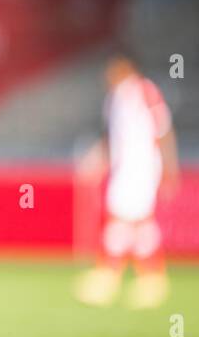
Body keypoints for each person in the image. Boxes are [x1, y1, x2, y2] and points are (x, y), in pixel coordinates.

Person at [75, 51, 179, 309]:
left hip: (142, 165)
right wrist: (100, 159)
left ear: (126, 67)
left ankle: (112, 275)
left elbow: (164, 131)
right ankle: (148, 278)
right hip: (123, 168)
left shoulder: (145, 91)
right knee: (133, 222)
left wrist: (169, 167)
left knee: (128, 219)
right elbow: (112, 137)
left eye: (112, 67)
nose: (108, 74)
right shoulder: (113, 99)